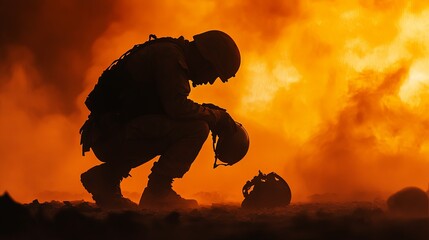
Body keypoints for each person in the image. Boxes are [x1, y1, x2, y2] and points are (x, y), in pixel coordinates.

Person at [79, 30, 241, 210]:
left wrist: (208, 112)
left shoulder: (170, 53)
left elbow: (167, 108)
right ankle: (158, 192)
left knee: (187, 125)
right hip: (111, 135)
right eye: (214, 73)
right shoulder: (170, 57)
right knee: (196, 129)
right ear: (206, 60)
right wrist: (216, 117)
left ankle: (106, 178)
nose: (211, 81)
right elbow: (177, 108)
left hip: (112, 132)